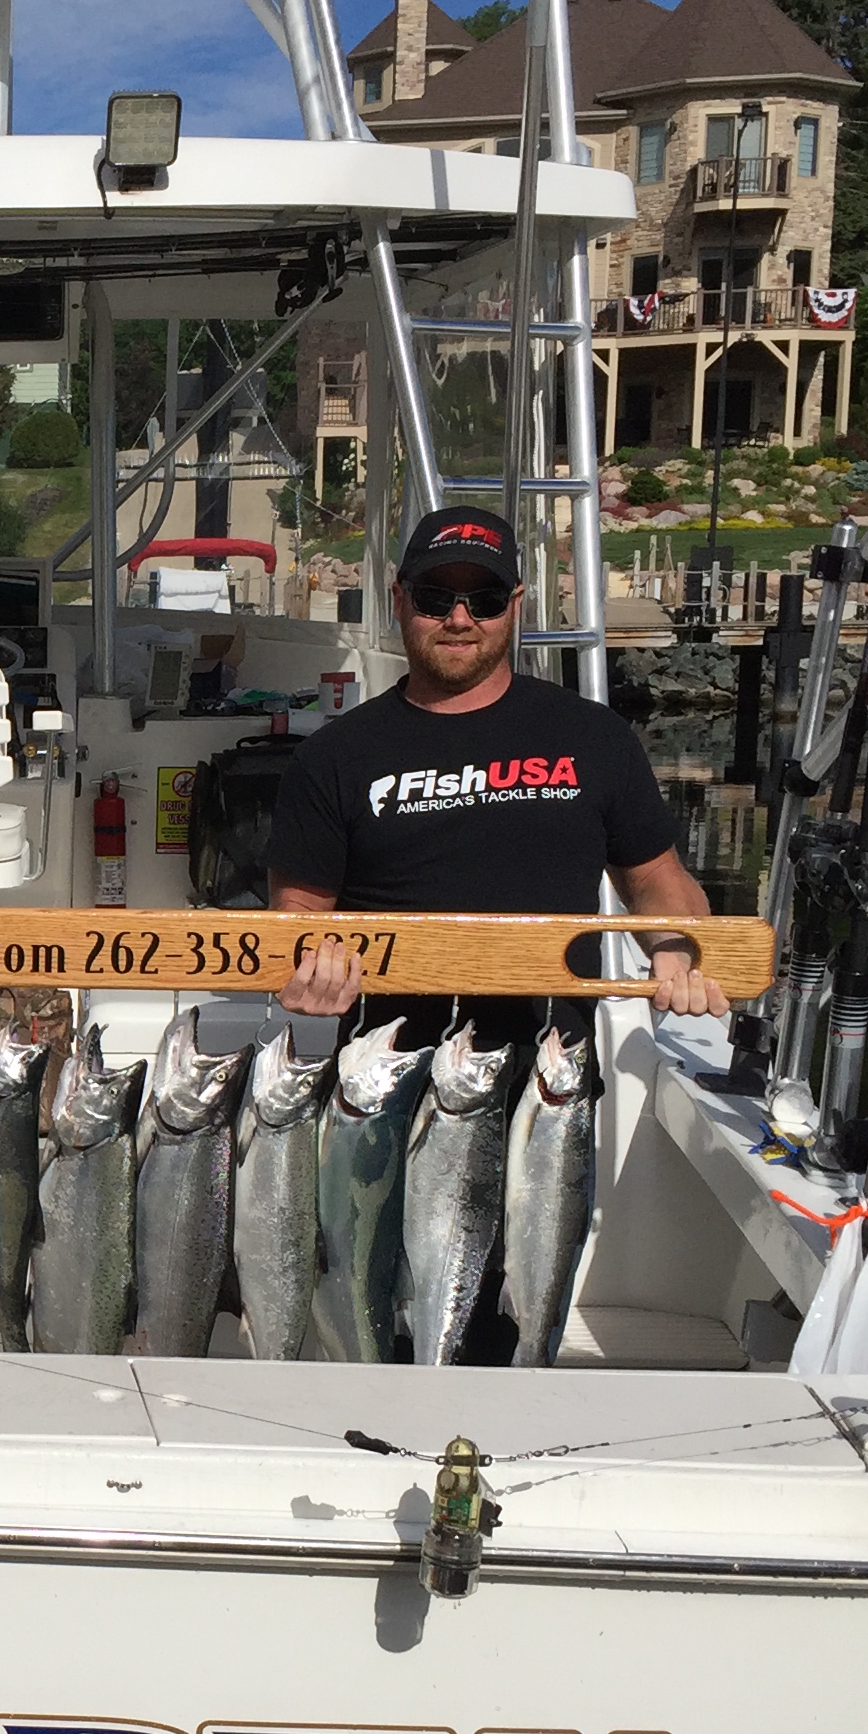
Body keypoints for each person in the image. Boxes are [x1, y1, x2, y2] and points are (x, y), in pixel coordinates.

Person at [269, 505, 725, 1358]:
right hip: (390, 1083)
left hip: (544, 1084)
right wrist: (305, 978)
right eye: (437, 595)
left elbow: (662, 888)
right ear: (400, 600)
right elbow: (297, 921)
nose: (459, 617)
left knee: (506, 1319)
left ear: (517, 604)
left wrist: (679, 956)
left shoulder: (591, 738)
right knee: (371, 1298)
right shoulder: (334, 757)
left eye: (482, 597)